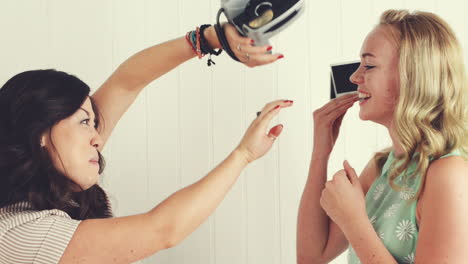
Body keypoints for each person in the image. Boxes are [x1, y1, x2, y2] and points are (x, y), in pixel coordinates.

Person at [0, 22, 291, 264]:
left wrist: (210, 37)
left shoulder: (52, 192)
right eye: (84, 121)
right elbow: (163, 230)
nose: (98, 138)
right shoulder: (20, 234)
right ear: (39, 133)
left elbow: (127, 82)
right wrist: (244, 154)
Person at [297, 9, 468, 264]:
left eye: (369, 65)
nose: (355, 77)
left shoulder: (449, 175)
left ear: (412, 77)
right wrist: (321, 152)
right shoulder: (383, 167)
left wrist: (353, 222)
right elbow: (311, 257)